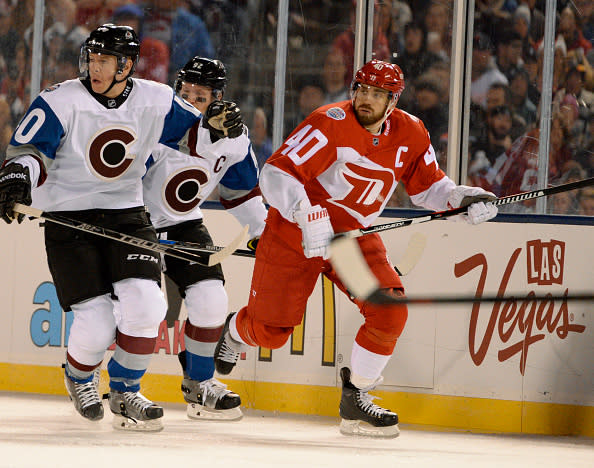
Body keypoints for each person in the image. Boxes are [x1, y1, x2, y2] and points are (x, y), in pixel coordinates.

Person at [212, 60, 498, 438]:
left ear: (392, 100)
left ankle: (356, 396)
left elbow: (429, 188)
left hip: (350, 238)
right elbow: (276, 173)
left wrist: (462, 197)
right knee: (271, 332)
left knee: (388, 310)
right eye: (362, 89)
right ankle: (235, 330)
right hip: (294, 230)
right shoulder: (329, 121)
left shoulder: (411, 132)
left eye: (377, 94)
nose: (366, 99)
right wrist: (305, 211)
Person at [0, 24, 231, 431]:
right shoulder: (61, 99)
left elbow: (199, 136)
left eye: (104, 60)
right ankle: (78, 377)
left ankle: (125, 392)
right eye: (91, 58)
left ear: (126, 65)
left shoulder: (156, 99)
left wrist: (218, 127)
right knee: (97, 322)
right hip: (68, 219)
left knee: (147, 305)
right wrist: (19, 174)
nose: (95, 67)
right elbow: (30, 150)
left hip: (127, 212)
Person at [142, 56, 267, 420]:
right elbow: (132, 167)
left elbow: (241, 192)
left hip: (183, 223)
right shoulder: (159, 118)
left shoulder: (235, 139)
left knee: (211, 300)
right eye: (185, 92)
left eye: (199, 96)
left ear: (217, 97)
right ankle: (118, 386)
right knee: (133, 311)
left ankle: (199, 384)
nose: (189, 100)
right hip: (135, 223)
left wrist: (262, 232)